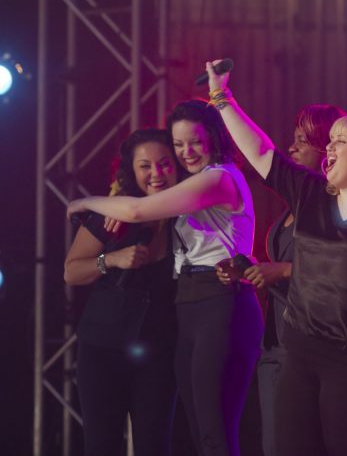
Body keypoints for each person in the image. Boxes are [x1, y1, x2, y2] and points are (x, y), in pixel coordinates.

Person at [205, 60, 347, 455]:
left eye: (341, 142)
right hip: (301, 355)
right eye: (328, 143)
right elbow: (261, 151)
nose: (329, 148)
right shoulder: (311, 194)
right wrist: (222, 97)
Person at [67, 100, 262, 456]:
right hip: (149, 326)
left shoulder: (213, 180)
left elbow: (139, 209)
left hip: (208, 309)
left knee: (208, 430)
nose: (185, 153)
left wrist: (85, 202)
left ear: (214, 139)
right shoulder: (131, 212)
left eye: (194, 143)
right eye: (179, 144)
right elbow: (73, 268)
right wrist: (110, 257)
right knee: (197, 430)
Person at [215, 104, 345, 456]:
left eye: (303, 141)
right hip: (276, 341)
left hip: (314, 341)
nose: (292, 147)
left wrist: (285, 270)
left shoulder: (334, 204)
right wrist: (250, 268)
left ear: (327, 150)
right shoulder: (292, 209)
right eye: (293, 139)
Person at [65, 128, 180, 456]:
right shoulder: (114, 212)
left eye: (164, 164)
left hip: (159, 351)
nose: (156, 174)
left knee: (154, 447)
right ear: (132, 171)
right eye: (145, 166)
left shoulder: (187, 216)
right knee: (101, 446)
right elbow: (71, 271)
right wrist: (111, 260)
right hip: (103, 349)